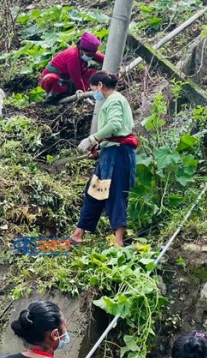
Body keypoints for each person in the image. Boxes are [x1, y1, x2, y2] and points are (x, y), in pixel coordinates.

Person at [70, 71, 137, 247]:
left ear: (100, 86)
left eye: (93, 89)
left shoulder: (115, 100)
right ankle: (79, 233)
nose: (94, 93)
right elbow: (114, 134)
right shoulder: (114, 101)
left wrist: (93, 139)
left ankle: (118, 241)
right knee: (93, 191)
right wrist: (99, 151)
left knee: (116, 194)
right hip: (111, 153)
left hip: (119, 154)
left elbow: (115, 126)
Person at [39, 32, 105, 101]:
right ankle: (57, 97)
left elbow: (105, 59)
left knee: (94, 74)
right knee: (51, 79)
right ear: (81, 50)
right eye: (89, 55)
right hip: (57, 80)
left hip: (69, 79)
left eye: (92, 55)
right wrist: (84, 96)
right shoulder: (73, 56)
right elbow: (77, 79)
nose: (90, 57)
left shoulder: (90, 52)